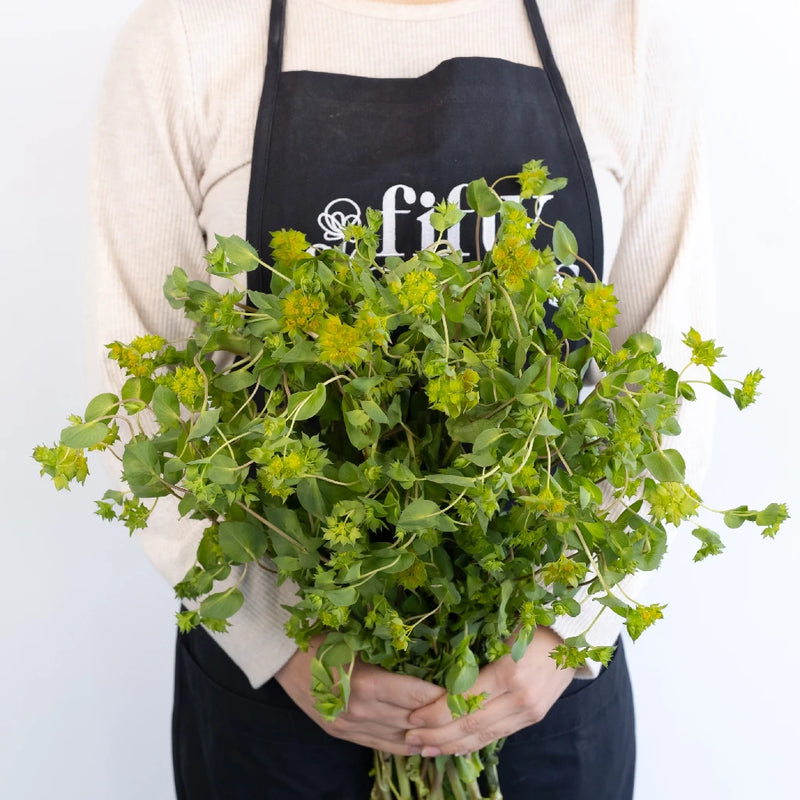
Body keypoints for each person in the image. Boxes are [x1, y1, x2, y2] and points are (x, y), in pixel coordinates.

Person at [92, 0, 715, 797]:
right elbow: (141, 386)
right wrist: (276, 639)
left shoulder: (624, 35)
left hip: (536, 688)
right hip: (280, 700)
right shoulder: (183, 38)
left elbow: (664, 387)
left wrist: (570, 625)